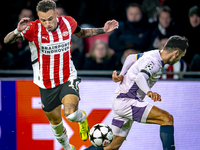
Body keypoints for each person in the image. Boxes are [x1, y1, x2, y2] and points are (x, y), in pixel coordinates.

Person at [4, 0, 119, 150]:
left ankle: (81, 119)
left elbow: (82, 32)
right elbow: (7, 41)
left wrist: (103, 30)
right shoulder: (33, 28)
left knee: (71, 114)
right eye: (43, 20)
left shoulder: (68, 22)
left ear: (56, 14)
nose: (47, 23)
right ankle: (68, 147)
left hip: (67, 77)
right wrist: (17, 31)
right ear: (38, 17)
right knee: (55, 122)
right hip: (45, 83)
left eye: (50, 19)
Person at [85, 35, 188, 150]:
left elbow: (130, 58)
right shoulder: (154, 62)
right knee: (167, 118)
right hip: (128, 101)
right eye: (181, 56)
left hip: (121, 100)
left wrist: (121, 75)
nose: (179, 59)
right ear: (176, 53)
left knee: (111, 146)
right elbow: (140, 78)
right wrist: (149, 92)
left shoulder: (154, 53)